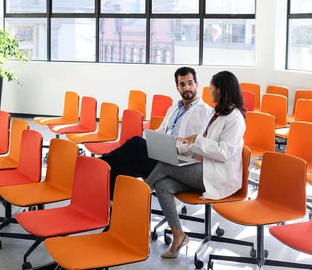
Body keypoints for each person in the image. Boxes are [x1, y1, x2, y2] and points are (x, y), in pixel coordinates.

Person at [145, 70, 246, 259]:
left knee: (166, 166)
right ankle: (179, 235)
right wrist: (186, 143)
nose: (210, 91)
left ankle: (138, 197)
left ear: (222, 90)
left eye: (213, 88)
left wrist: (196, 141)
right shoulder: (218, 113)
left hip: (219, 175)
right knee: (162, 185)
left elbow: (224, 152)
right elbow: (203, 141)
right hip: (205, 168)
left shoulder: (235, 119)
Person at [100, 67, 213, 198]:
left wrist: (173, 149)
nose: (187, 88)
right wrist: (152, 142)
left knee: (135, 143)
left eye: (190, 83)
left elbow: (198, 144)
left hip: (179, 163)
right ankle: (112, 201)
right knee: (122, 166)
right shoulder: (173, 109)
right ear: (177, 87)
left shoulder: (206, 112)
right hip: (160, 155)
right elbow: (160, 131)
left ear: (196, 84)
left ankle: (101, 163)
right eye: (182, 84)